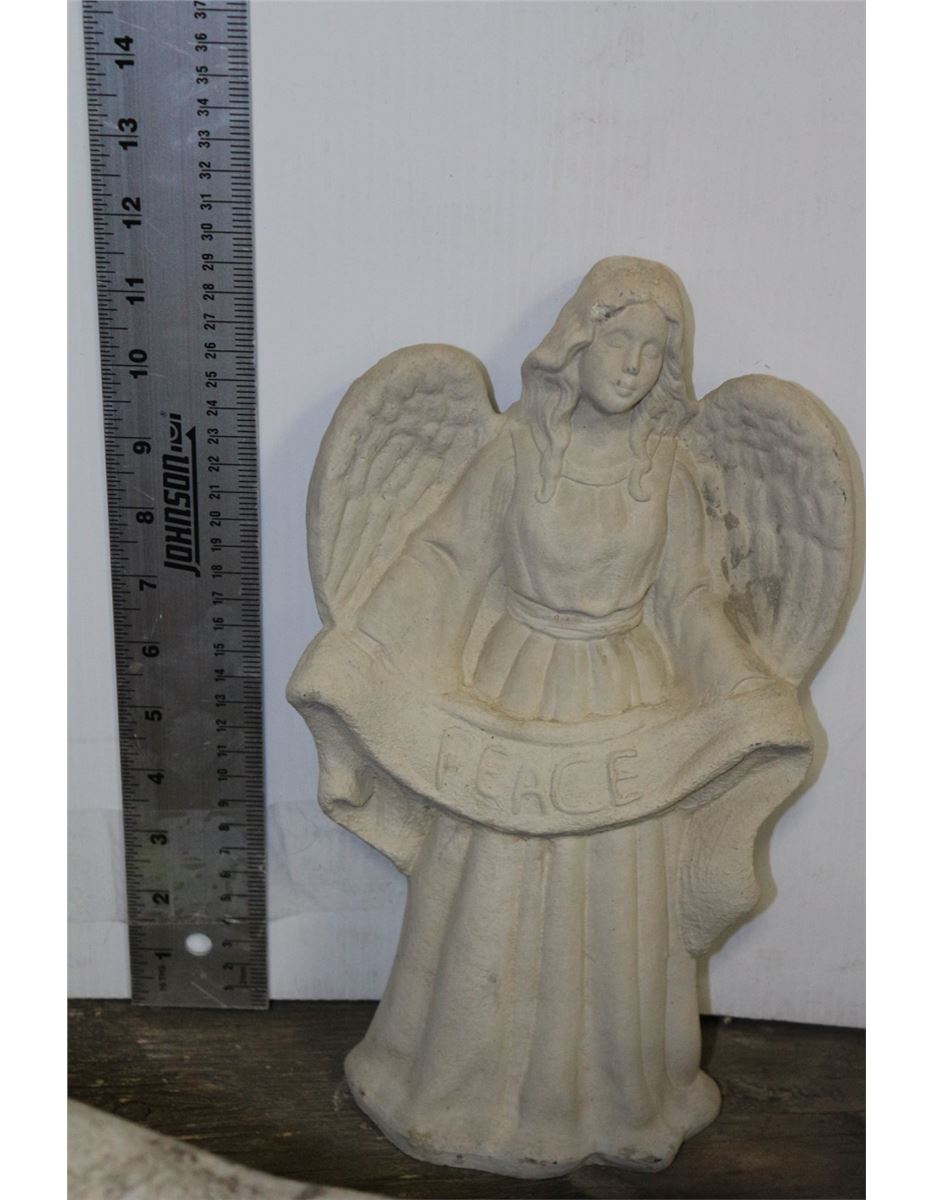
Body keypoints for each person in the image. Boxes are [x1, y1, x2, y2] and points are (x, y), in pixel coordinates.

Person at [339, 259, 773, 1173]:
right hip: (515, 689)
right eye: (618, 341)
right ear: (576, 341)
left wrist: (742, 688)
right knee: (491, 884)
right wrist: (364, 647)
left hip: (626, 698)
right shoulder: (513, 453)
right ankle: (454, 1093)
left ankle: (618, 1099)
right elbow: (444, 560)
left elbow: (691, 600)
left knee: (618, 899)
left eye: (653, 352)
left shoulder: (666, 471)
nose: (633, 366)